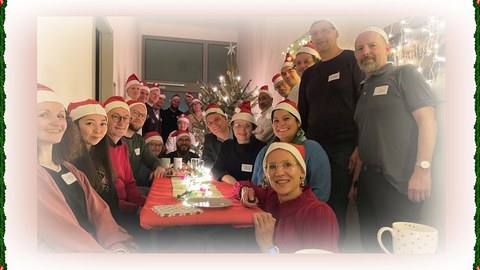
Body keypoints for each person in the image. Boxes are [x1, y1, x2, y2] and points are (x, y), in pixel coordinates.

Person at [352, 26, 437, 252]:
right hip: (369, 183)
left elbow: (427, 121)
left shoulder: (404, 74)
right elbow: (365, 135)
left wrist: (423, 170)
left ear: (387, 48)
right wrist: (356, 183)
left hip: (400, 182)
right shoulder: (363, 88)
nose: (365, 52)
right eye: (359, 49)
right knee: (371, 248)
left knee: (400, 253)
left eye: (372, 45)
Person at [36, 83, 137, 253]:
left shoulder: (70, 169)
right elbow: (63, 234)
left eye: (61, 116)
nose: (56, 122)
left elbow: (101, 214)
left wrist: (117, 247)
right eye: (43, 114)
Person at [298, 19, 365, 248]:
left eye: (325, 30)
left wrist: (358, 147)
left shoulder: (350, 60)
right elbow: (303, 114)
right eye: (314, 32)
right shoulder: (309, 74)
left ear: (336, 33)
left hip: (344, 149)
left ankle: (333, 254)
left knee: (336, 205)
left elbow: (362, 104)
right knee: (312, 201)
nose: (319, 36)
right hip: (314, 149)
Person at [234, 142, 339, 253]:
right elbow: (241, 185)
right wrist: (244, 189)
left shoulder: (319, 214)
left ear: (302, 172)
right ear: (267, 175)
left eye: (287, 164)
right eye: (273, 166)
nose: (279, 173)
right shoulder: (270, 197)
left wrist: (268, 246)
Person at [251, 99, 331, 202]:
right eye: (276, 121)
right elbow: (254, 186)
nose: (281, 124)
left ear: (298, 122)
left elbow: (321, 193)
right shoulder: (264, 152)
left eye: (286, 118)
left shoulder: (313, 149)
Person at [64, 99, 121, 221]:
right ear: (75, 126)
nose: (98, 130)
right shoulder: (68, 162)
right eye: (90, 123)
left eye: (103, 124)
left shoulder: (101, 154)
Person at [103, 96, 146, 214]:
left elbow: (129, 183)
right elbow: (105, 198)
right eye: (116, 117)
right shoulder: (98, 149)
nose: (122, 122)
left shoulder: (123, 146)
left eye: (126, 118)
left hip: (128, 205)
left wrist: (143, 203)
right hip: (114, 211)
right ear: (105, 119)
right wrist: (136, 210)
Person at [212, 100, 266, 185]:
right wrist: (235, 184)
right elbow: (216, 169)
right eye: (238, 125)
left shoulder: (262, 148)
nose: (242, 130)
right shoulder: (226, 146)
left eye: (247, 126)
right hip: (231, 190)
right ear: (232, 127)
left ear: (253, 128)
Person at [122, 100, 165, 191]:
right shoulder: (116, 138)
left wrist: (159, 167)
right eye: (136, 113)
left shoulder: (138, 139)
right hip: (120, 191)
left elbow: (152, 159)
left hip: (132, 188)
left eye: (143, 116)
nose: (139, 118)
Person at [202, 103, 233, 168]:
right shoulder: (209, 139)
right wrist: (220, 173)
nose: (214, 124)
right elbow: (207, 161)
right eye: (210, 123)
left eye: (217, 119)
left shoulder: (239, 135)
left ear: (225, 118)